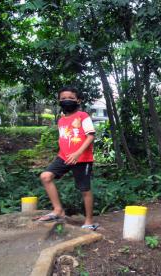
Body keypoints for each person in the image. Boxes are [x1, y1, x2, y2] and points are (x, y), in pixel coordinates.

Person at [38, 87, 98, 230]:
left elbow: (90, 135)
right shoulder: (61, 121)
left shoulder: (83, 116)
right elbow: (65, 139)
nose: (67, 101)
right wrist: (61, 154)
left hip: (82, 158)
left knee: (84, 189)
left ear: (78, 100)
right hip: (63, 157)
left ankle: (89, 221)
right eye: (63, 98)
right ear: (59, 101)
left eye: (71, 98)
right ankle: (58, 210)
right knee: (46, 176)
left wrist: (77, 153)